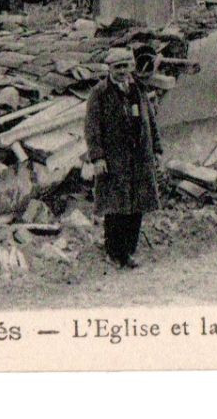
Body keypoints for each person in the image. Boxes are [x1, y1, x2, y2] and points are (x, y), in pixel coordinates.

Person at [83, 47, 163, 268]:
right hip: (114, 160)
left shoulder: (138, 89)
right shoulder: (99, 93)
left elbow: (151, 121)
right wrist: (97, 157)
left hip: (139, 158)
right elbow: (92, 128)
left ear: (131, 66)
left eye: (126, 66)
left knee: (136, 206)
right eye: (117, 67)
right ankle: (113, 251)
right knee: (115, 208)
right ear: (109, 68)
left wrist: (156, 150)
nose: (122, 71)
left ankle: (129, 251)